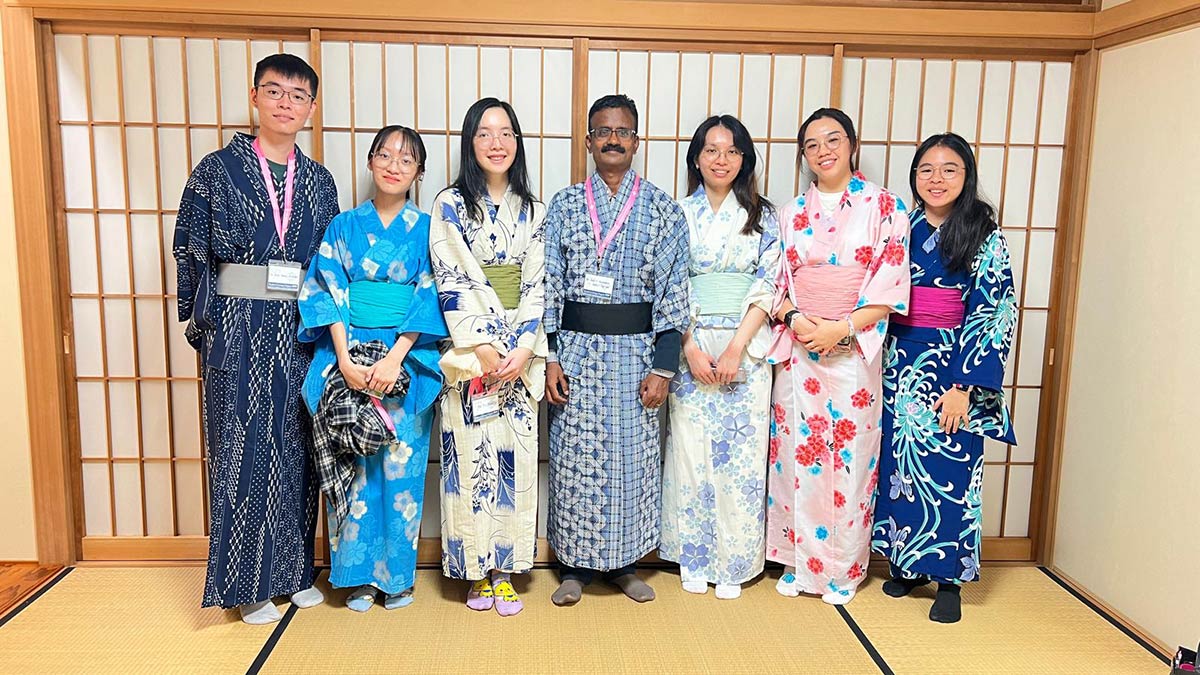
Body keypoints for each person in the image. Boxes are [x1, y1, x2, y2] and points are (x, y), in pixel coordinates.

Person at [173, 53, 338, 624]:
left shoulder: (318, 180)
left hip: (300, 325)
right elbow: (192, 246)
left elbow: (331, 261)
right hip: (239, 324)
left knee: (297, 449)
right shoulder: (216, 170)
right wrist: (205, 319)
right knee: (242, 451)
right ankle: (246, 585)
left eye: (298, 96)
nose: (285, 103)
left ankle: (293, 572)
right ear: (255, 96)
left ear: (311, 109)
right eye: (275, 92)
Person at [543, 94, 690, 606]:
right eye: (603, 131)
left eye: (622, 131)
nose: (612, 139)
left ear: (636, 141)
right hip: (576, 352)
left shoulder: (663, 208)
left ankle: (626, 564)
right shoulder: (563, 205)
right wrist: (551, 356)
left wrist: (665, 367)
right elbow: (548, 284)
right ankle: (574, 567)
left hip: (636, 354)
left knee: (633, 462)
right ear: (588, 141)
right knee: (573, 459)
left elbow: (674, 293)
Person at [297, 125, 447, 612]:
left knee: (401, 469)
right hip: (350, 353)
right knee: (355, 469)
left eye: (406, 160)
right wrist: (342, 358)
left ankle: (396, 577)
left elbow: (432, 296)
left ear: (418, 172)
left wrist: (396, 356)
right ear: (369, 161)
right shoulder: (343, 226)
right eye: (385, 155)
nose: (394, 166)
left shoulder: (428, 231)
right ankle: (357, 576)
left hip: (404, 356)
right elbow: (326, 290)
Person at [765, 107, 911, 606]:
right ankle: (797, 561)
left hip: (852, 348)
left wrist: (842, 327)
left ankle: (843, 568)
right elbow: (776, 286)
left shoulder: (886, 207)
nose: (823, 151)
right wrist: (796, 320)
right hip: (802, 347)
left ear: (852, 145)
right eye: (811, 144)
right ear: (803, 156)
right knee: (794, 455)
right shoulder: (789, 213)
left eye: (833, 140)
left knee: (850, 456)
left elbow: (890, 285)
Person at [871, 132, 1017, 624]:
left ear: (966, 176)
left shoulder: (984, 235)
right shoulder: (902, 227)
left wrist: (962, 387)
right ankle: (908, 565)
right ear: (914, 177)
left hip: (951, 367)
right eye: (926, 169)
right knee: (901, 468)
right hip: (898, 362)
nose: (936, 179)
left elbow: (992, 312)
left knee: (951, 475)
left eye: (949, 169)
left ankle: (950, 579)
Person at [430, 98, 546, 617]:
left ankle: (504, 569)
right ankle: (473, 571)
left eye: (505, 133)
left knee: (512, 463)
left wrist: (522, 347)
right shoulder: (449, 205)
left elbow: (542, 284)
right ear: (470, 144)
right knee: (468, 462)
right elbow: (450, 276)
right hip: (470, 357)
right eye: (484, 133)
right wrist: (480, 343)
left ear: (517, 143)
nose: (495, 143)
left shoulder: (536, 211)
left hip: (516, 360)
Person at [659, 115, 779, 600]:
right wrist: (688, 347)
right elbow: (668, 285)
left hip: (745, 351)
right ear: (696, 158)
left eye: (731, 151)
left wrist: (735, 349)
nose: (721, 159)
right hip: (692, 348)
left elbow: (770, 283)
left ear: (744, 158)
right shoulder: (677, 213)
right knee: (688, 453)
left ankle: (734, 562)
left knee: (742, 462)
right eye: (711, 150)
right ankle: (693, 556)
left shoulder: (764, 216)